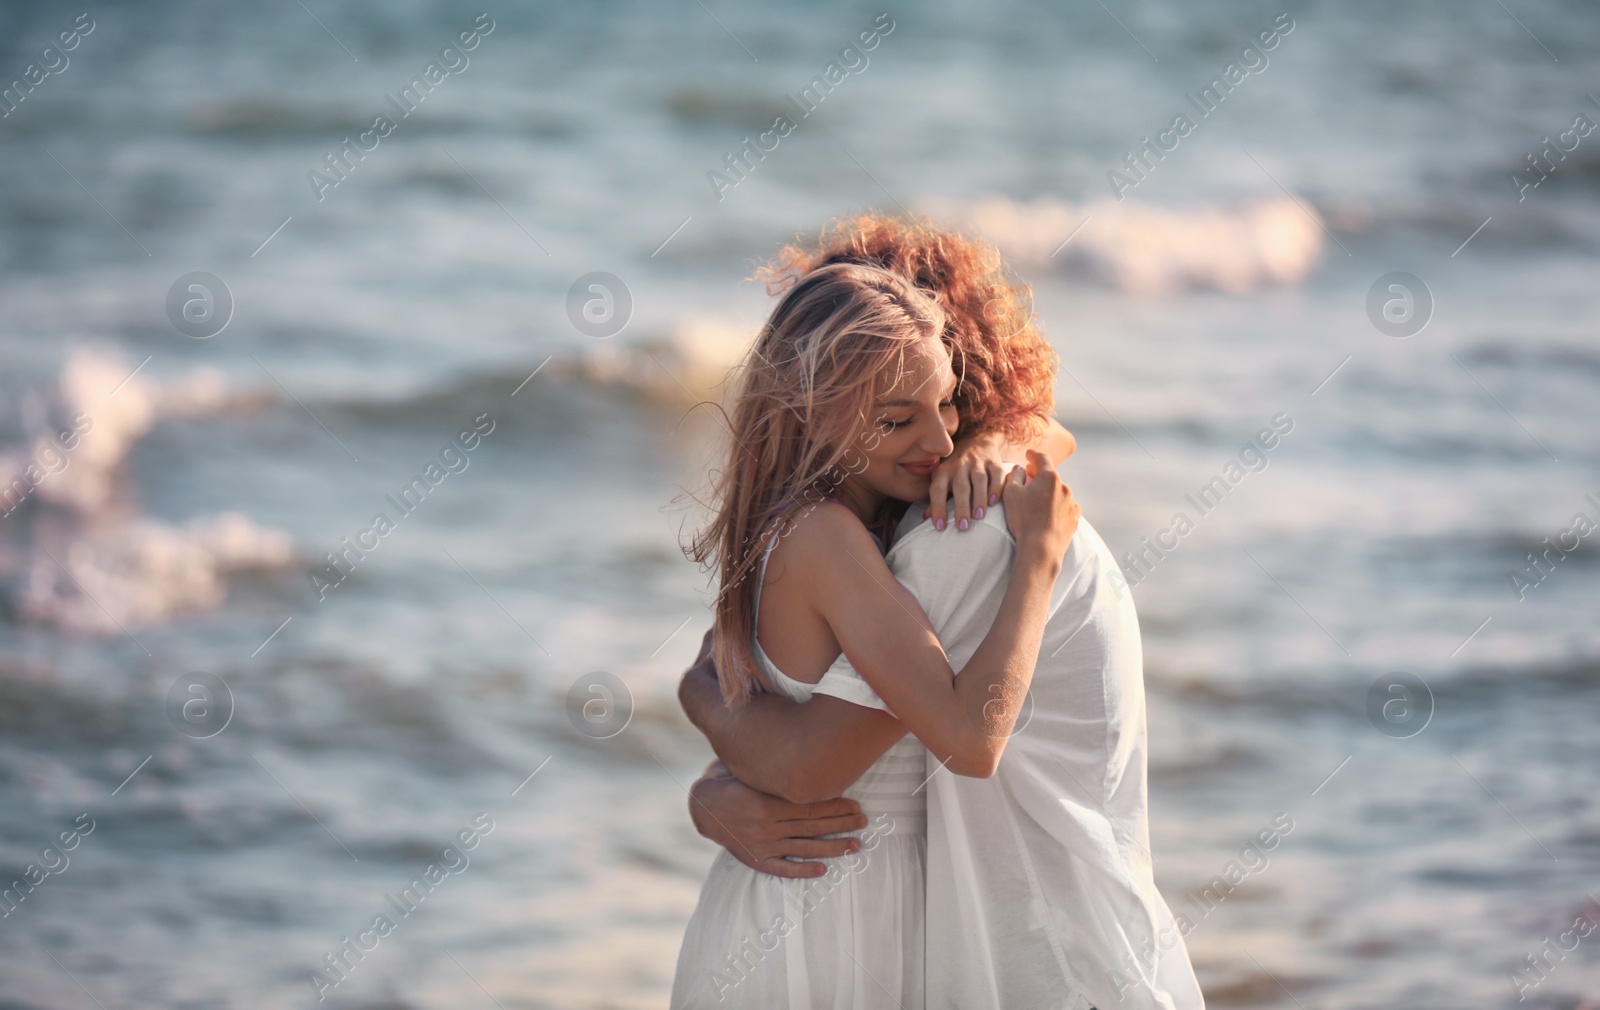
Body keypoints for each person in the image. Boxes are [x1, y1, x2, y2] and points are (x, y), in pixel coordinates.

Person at [677, 222, 1206, 1008]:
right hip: (831, 912)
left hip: (847, 905)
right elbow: (955, 738)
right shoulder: (861, 537)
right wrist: (1036, 558)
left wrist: (710, 757)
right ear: (813, 407)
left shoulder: (861, 522)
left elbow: (741, 691)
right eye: (896, 417)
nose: (938, 438)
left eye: (948, 402)